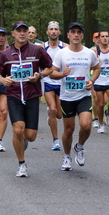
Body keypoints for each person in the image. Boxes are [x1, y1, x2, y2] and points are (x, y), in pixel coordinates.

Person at [0, 21, 53, 177]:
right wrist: (2, 80)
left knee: (31, 136)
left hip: (32, 95)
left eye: (24, 31)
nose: (22, 33)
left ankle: (23, 140)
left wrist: (39, 75)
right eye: (18, 31)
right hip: (13, 96)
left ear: (28, 33)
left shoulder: (37, 50)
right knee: (18, 129)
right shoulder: (5, 54)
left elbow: (49, 67)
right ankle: (21, 164)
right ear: (13, 34)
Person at [50, 22, 100, 171]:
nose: (76, 35)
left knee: (86, 125)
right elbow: (52, 72)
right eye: (73, 32)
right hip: (67, 97)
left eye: (79, 32)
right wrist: (62, 74)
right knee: (69, 130)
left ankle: (79, 146)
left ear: (82, 35)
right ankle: (66, 156)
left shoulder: (89, 53)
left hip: (83, 96)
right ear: (68, 35)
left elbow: (97, 68)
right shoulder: (62, 53)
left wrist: (91, 81)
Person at [43, 21, 67, 150]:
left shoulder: (65, 47)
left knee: (59, 114)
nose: (53, 31)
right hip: (47, 82)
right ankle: (55, 141)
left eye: (55, 29)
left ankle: (51, 115)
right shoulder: (43, 47)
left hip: (61, 83)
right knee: (53, 109)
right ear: (47, 32)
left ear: (59, 32)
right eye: (51, 29)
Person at [90, 32, 102, 128]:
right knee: (96, 99)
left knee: (103, 101)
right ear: (93, 39)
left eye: (99, 37)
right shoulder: (90, 51)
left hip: (105, 79)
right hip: (92, 78)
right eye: (96, 38)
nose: (98, 39)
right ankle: (96, 118)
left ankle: (103, 113)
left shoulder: (107, 50)